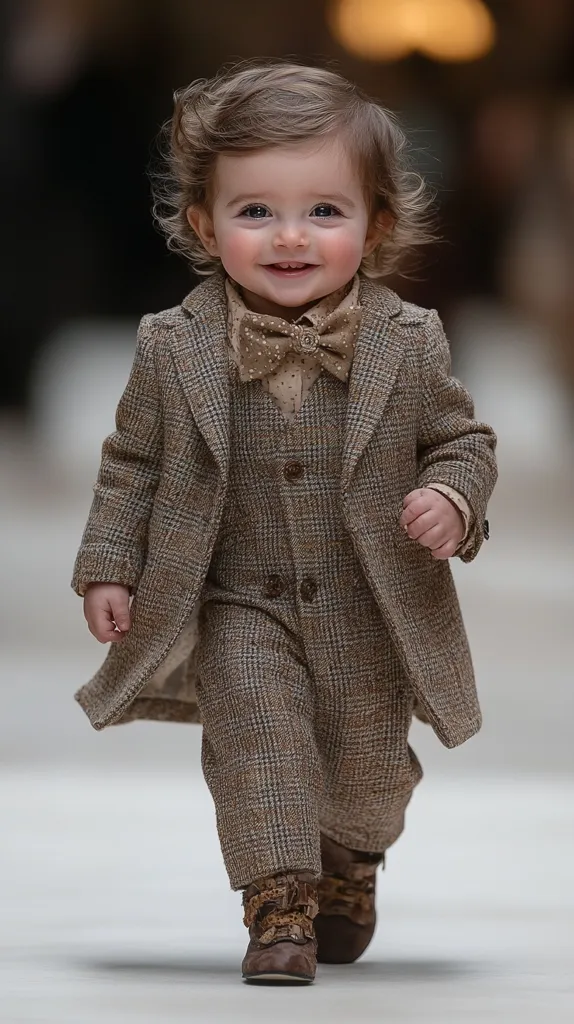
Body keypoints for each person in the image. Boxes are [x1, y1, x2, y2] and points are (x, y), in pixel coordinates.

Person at [72, 60, 498, 985]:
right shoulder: (172, 346)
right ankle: (278, 907)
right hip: (238, 598)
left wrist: (454, 498)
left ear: (377, 225)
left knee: (369, 773)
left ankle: (353, 859)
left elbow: (462, 440)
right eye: (255, 211)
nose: (290, 236)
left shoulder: (408, 340)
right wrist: (110, 565)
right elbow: (132, 464)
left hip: (366, 604)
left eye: (325, 212)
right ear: (203, 225)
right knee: (259, 745)